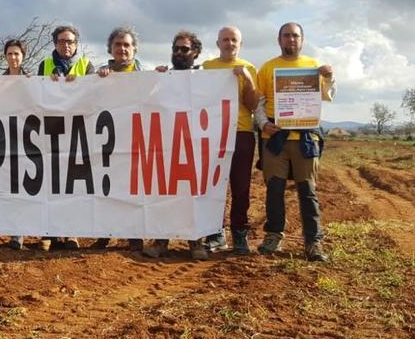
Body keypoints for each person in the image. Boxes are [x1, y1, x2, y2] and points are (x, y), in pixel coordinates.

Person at [254, 22, 335, 262]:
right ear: (279, 40)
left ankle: (313, 242)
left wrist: (329, 78)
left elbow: (326, 96)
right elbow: (259, 102)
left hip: (306, 138)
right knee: (274, 190)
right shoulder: (268, 68)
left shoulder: (313, 67)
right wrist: (262, 124)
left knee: (307, 191)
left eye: (295, 36)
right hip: (275, 138)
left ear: (302, 40)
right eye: (286, 35)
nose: (291, 40)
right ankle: (273, 236)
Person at [143, 30, 210, 260]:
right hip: (167, 143)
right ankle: (162, 241)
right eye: (176, 49)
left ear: (196, 53)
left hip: (196, 146)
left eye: (185, 49)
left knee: (193, 193)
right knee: (165, 192)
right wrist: (154, 79)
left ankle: (195, 241)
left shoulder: (206, 78)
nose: (179, 53)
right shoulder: (165, 76)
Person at [201, 26, 259, 255]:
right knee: (213, 186)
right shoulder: (207, 67)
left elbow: (253, 104)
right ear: (218, 43)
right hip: (212, 133)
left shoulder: (249, 68)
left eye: (234, 40)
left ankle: (239, 233)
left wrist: (247, 80)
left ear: (240, 44)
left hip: (241, 132)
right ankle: (215, 234)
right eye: (225, 40)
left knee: (241, 187)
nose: (229, 43)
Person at [38, 25, 94, 250]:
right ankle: (48, 232)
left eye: (70, 41)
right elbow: (34, 94)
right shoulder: (44, 65)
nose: (66, 45)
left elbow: (95, 94)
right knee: (50, 183)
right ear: (55, 43)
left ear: (76, 44)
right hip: (50, 130)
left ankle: (71, 233)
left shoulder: (86, 65)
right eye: (62, 41)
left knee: (73, 185)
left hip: (78, 133)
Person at [95, 26, 144, 251]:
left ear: (134, 49)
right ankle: (106, 232)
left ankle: (135, 235)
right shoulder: (98, 73)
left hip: (135, 142)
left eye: (126, 45)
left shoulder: (146, 74)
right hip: (106, 141)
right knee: (107, 187)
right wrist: (95, 80)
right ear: (110, 48)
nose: (122, 49)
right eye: (117, 44)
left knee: (134, 188)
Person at [0, 39, 30, 250]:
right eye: (9, 54)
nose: (13, 58)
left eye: (17, 54)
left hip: (26, 142)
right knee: (0, 186)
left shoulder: (33, 80)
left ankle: (18, 235)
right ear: (5, 56)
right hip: (1, 140)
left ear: (23, 56)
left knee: (22, 188)